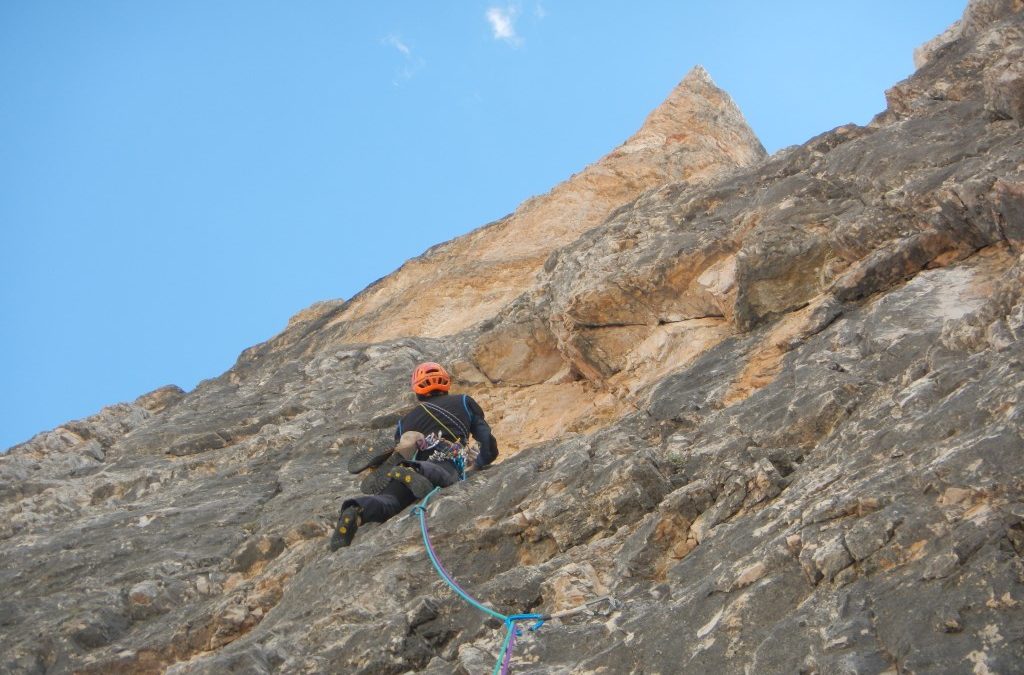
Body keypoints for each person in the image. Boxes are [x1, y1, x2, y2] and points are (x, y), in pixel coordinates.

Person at [330, 362, 499, 550]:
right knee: (444, 471)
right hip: (436, 463)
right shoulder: (464, 401)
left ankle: (357, 509)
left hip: (408, 463)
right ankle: (411, 469)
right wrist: (480, 463)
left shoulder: (405, 421)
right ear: (445, 383)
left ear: (417, 390)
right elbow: (487, 442)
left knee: (390, 502)